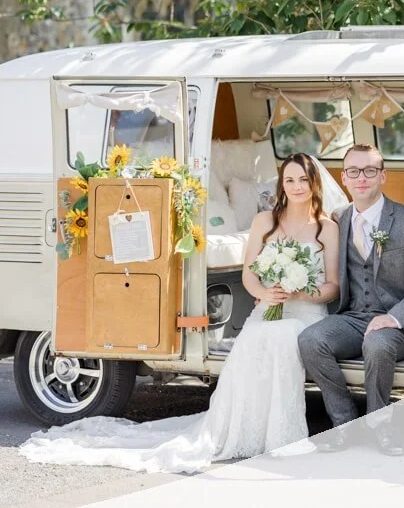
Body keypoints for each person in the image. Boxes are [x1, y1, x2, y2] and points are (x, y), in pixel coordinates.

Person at [19, 152, 344, 473]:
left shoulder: (327, 228)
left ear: (314, 183)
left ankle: (281, 434)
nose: (297, 186)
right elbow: (249, 275)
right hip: (271, 307)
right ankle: (249, 428)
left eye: (303, 179)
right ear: (281, 184)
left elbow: (332, 287)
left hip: (307, 311)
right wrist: (265, 294)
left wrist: (301, 292)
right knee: (261, 334)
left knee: (284, 335)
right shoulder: (264, 221)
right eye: (290, 179)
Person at [299, 143, 404, 456]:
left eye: (370, 170)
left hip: (403, 322)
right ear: (344, 178)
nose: (361, 178)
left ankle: (380, 424)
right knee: (311, 340)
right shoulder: (337, 219)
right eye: (354, 171)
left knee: (377, 344)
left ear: (383, 176)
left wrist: (394, 317)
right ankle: (344, 423)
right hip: (354, 316)